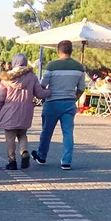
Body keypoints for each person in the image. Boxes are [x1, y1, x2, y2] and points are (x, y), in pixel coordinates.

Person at [32, 40, 87, 170]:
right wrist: (74, 98)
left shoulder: (52, 66)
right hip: (68, 103)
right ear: (71, 51)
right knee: (68, 133)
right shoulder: (79, 67)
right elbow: (81, 88)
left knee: (46, 131)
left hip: (52, 103)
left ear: (58, 51)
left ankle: (42, 155)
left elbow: (43, 85)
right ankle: (66, 161)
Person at [0, 54, 51, 170]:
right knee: (22, 134)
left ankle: (12, 161)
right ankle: (24, 152)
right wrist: (50, 91)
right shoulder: (32, 77)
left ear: (14, 63)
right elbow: (39, 93)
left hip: (9, 112)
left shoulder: (6, 78)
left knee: (10, 137)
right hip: (26, 112)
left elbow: (1, 97)